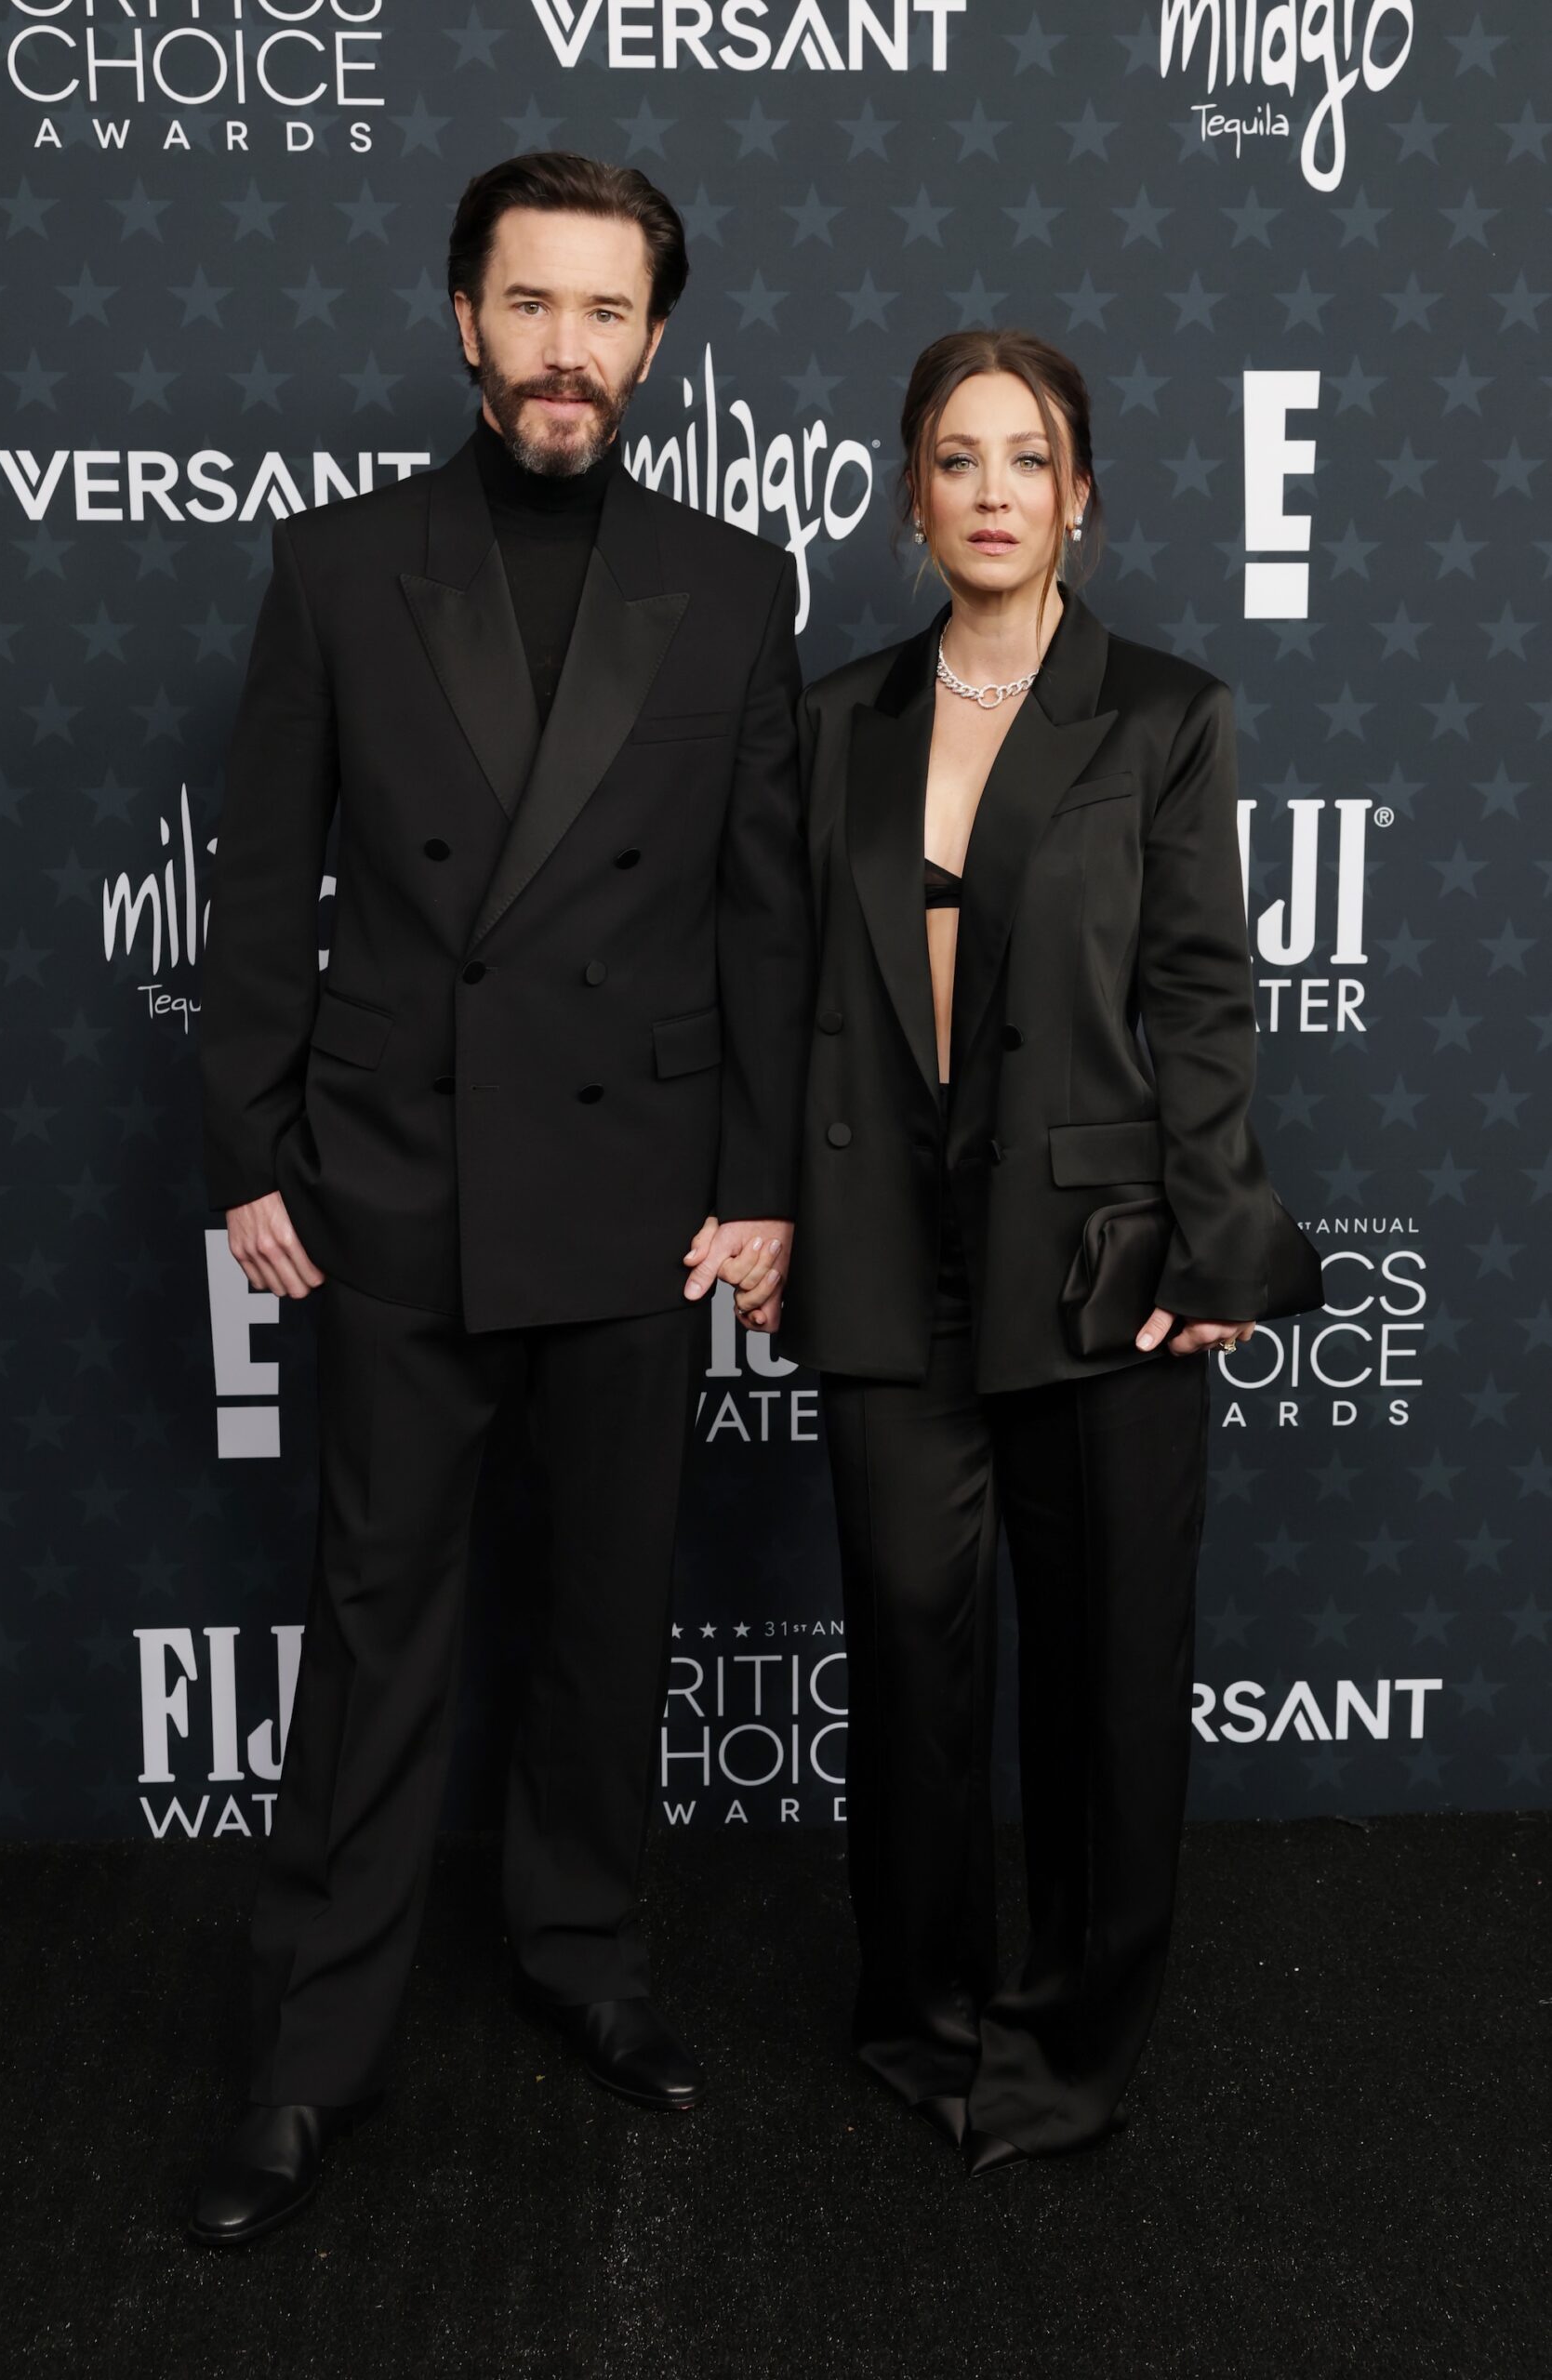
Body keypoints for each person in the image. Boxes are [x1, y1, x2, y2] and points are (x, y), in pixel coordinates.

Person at [190, 151, 812, 2247]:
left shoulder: (732, 584)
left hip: (638, 1198)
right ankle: (309, 2056)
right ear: (464, 319)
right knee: (378, 1632)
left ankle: (584, 1956)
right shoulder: (340, 566)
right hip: (397, 1182)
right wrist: (250, 1149)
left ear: (655, 340)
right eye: (531, 304)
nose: (568, 349)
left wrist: (759, 1184)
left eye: (606, 312)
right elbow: (260, 883)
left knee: (606, 1617)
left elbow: (762, 919)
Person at [763, 329, 1305, 2175]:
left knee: (1104, 1672)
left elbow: (1201, 1000)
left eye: (1025, 459)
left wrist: (1217, 1250)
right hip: (883, 1253)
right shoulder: (834, 719)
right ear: (908, 500)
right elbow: (784, 991)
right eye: (955, 458)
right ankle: (918, 2017)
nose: (991, 492)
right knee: (910, 1663)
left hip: (1100, 1262)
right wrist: (765, 1203)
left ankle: (1070, 2040)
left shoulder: (1160, 715)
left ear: (1082, 497)